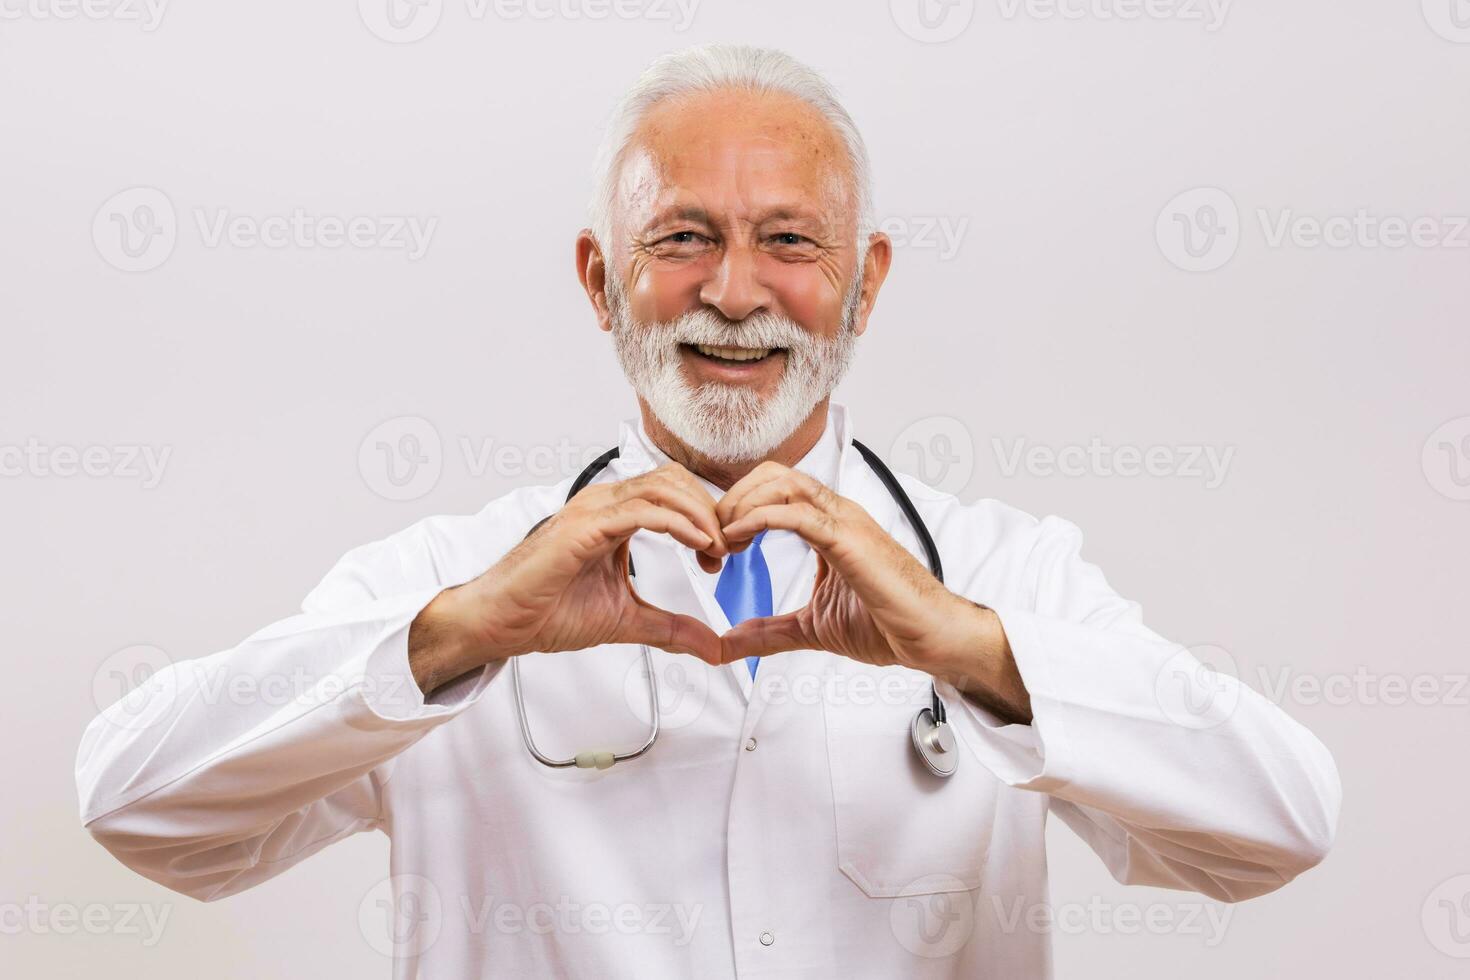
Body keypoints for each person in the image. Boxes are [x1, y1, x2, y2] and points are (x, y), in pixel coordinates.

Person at [75, 43, 1340, 979]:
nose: (735, 294)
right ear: (599, 276)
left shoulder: (1002, 573)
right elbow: (136, 803)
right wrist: (455, 634)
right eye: (683, 235)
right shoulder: (454, 575)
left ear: (864, 284)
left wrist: (969, 649)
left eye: (790, 240)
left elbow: (1282, 826)